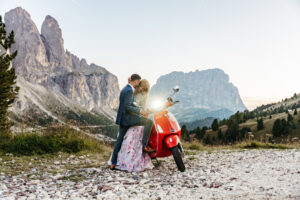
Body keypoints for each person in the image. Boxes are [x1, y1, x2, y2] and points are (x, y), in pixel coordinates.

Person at [110, 74, 155, 170]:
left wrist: (138, 108)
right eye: (138, 82)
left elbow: (130, 104)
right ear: (135, 81)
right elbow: (127, 106)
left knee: (119, 140)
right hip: (130, 119)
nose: (138, 84)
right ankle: (144, 145)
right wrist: (140, 111)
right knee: (149, 122)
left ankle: (113, 162)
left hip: (123, 119)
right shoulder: (130, 90)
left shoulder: (125, 89)